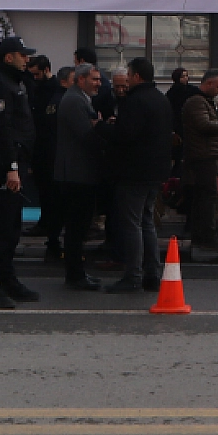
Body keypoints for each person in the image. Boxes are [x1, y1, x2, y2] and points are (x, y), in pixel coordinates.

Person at [0, 37, 40, 309]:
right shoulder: (1, 85)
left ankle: (7, 277)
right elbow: (2, 131)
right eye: (22, 55)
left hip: (15, 163)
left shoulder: (16, 82)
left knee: (12, 227)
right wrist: (11, 167)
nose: (27, 59)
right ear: (8, 57)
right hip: (0, 166)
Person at [103, 57, 173, 294]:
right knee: (146, 222)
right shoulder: (161, 99)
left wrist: (104, 128)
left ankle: (133, 275)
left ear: (136, 76)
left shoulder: (134, 101)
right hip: (157, 170)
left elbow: (125, 135)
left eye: (129, 75)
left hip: (134, 170)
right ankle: (152, 273)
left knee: (132, 223)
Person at [53, 63, 104, 290]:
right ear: (81, 79)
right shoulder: (74, 100)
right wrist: (99, 126)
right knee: (76, 227)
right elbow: (86, 135)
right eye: (94, 79)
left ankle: (78, 271)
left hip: (79, 172)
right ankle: (74, 274)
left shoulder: (80, 98)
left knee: (80, 226)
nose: (98, 83)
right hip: (75, 173)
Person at [181, 69, 218, 252]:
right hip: (203, 156)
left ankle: (200, 237)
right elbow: (204, 125)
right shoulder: (197, 102)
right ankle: (207, 238)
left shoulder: (203, 102)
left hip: (204, 154)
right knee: (207, 198)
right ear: (209, 83)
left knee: (203, 198)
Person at [26, 56, 65, 257]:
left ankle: (51, 228)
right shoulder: (37, 87)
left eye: (36, 74)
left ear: (46, 70)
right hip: (40, 145)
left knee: (51, 191)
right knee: (42, 187)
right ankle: (45, 222)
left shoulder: (55, 90)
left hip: (49, 146)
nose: (34, 78)